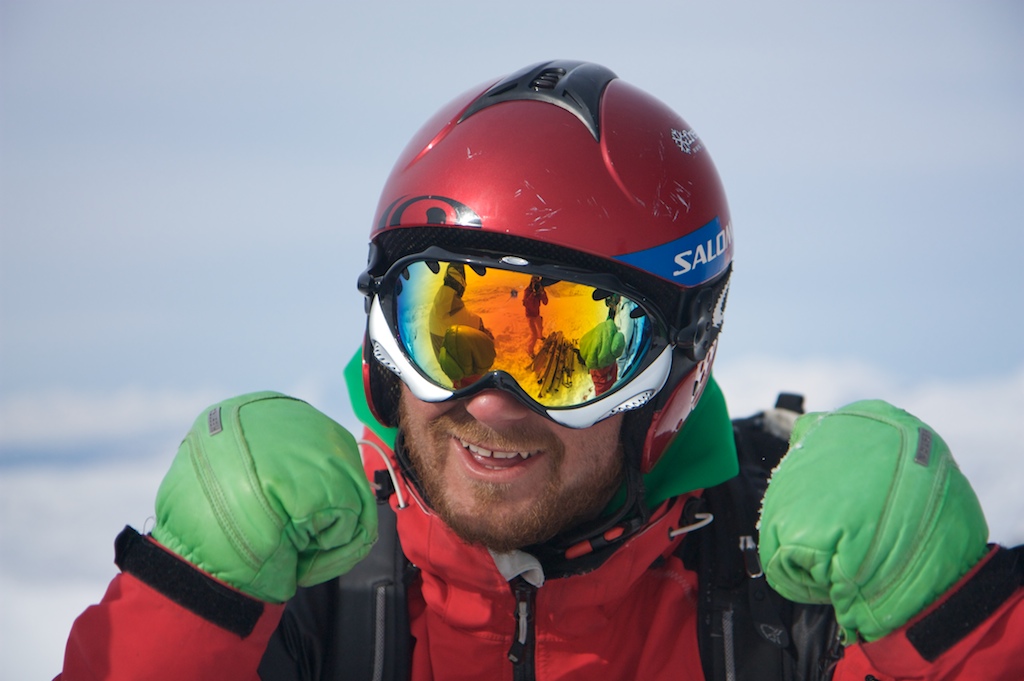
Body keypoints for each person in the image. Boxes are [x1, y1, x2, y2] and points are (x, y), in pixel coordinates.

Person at [58, 60, 1023, 681]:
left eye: (568, 347)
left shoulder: (784, 595)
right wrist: (188, 612)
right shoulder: (310, 587)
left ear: (676, 375)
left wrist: (954, 630)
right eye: (452, 325)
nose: (490, 398)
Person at [522, 275, 548, 355]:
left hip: (536, 314)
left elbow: (545, 302)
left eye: (537, 281)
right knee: (534, 335)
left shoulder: (539, 291)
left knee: (540, 328)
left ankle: (540, 337)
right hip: (529, 315)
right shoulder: (527, 291)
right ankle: (530, 351)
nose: (535, 283)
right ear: (531, 282)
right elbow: (525, 303)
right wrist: (533, 294)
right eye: (534, 281)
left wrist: (542, 293)